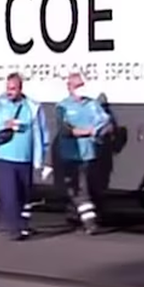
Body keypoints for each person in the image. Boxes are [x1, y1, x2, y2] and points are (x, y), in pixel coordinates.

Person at [0, 73, 48, 240]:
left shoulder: (32, 107)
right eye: (8, 88)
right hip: (4, 157)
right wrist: (4, 125)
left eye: (13, 89)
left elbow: (42, 133)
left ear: (20, 89)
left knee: (24, 194)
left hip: (25, 158)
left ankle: (22, 225)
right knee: (10, 194)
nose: (10, 92)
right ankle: (13, 228)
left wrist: (41, 158)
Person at [55, 72, 111, 235]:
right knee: (80, 189)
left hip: (89, 154)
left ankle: (74, 214)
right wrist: (87, 131)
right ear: (69, 87)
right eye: (77, 85)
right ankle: (90, 223)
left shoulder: (92, 105)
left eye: (81, 85)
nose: (80, 88)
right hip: (71, 155)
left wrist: (100, 130)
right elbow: (65, 130)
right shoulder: (63, 107)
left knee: (91, 187)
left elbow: (104, 121)